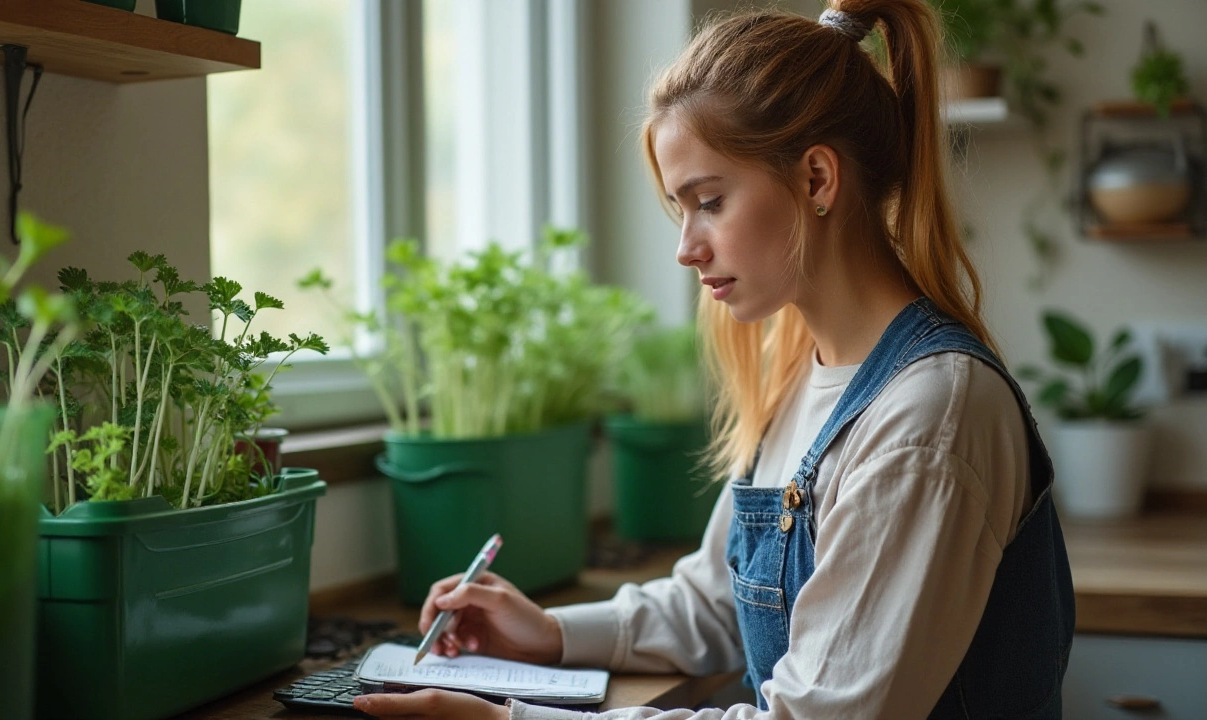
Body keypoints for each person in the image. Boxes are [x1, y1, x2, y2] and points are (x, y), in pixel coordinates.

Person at [353, 1, 1074, 718]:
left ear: (817, 180)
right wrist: (549, 632)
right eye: (680, 208)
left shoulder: (927, 418)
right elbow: (719, 603)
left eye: (710, 201)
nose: (686, 247)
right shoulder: (806, 376)